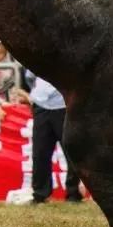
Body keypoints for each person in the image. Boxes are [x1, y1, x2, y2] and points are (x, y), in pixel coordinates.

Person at [28, 71, 81, 203]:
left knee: (71, 151)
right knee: (40, 152)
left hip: (64, 104)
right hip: (41, 104)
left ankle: (73, 193)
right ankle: (40, 193)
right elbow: (29, 77)